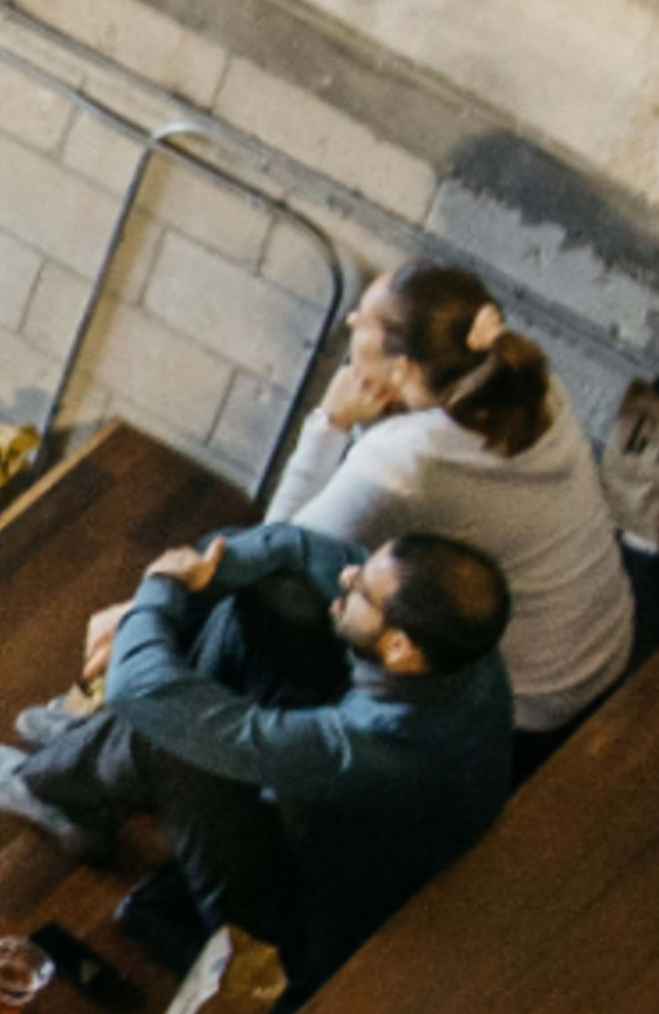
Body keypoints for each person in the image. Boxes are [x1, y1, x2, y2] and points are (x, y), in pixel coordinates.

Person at [0, 525, 514, 984]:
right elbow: (294, 547)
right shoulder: (462, 651)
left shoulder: (374, 748)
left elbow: (137, 689)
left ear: (400, 647)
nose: (348, 576)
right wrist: (199, 577)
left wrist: (160, 589)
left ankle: (55, 791)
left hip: (297, 917)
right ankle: (96, 748)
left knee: (169, 738)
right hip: (331, 824)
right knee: (273, 596)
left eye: (363, 589)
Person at [260, 266, 633, 739]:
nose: (351, 320)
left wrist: (330, 425)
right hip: (604, 643)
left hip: (525, 702)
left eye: (364, 320)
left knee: (281, 616)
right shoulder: (530, 388)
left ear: (405, 370)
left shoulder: (405, 461)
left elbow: (273, 557)